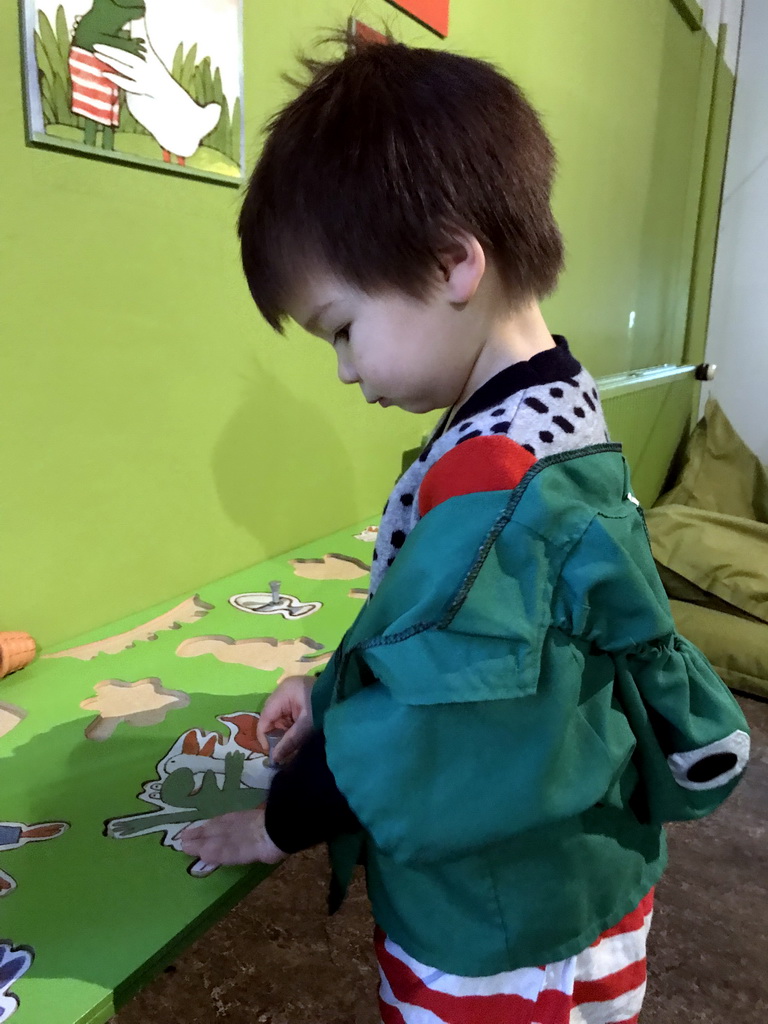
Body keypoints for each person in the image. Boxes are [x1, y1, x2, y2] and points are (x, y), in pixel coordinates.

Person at [181, 31, 750, 1023]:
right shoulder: (554, 405)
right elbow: (461, 641)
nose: (347, 371)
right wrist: (328, 688)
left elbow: (432, 723)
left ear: (452, 263)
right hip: (586, 867)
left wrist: (280, 821)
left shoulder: (497, 484)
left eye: (343, 328)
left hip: (498, 925)